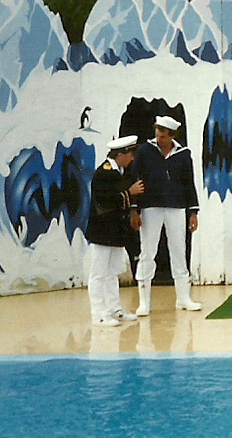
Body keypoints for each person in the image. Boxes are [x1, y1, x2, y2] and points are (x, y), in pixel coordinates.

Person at [130, 116, 202, 315]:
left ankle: (184, 298)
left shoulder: (184, 154)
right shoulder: (145, 150)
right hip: (150, 206)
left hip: (176, 207)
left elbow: (189, 183)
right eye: (157, 135)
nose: (159, 139)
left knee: (179, 250)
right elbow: (135, 177)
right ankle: (144, 301)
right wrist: (134, 209)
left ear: (172, 135)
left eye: (163, 136)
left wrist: (193, 212)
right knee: (147, 251)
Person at [86, 135, 145, 327]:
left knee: (112, 272)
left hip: (115, 231)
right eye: (130, 154)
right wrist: (130, 193)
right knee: (98, 273)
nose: (132, 158)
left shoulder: (118, 172)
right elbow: (104, 201)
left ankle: (114, 308)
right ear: (120, 154)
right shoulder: (104, 172)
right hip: (103, 230)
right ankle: (98, 313)